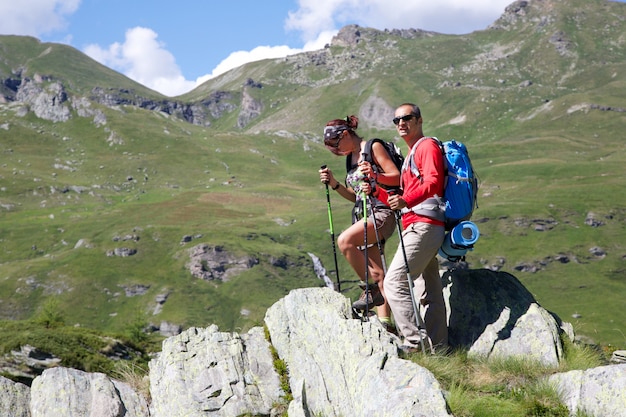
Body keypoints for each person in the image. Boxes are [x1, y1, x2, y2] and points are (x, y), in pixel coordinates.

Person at [372, 103, 448, 353]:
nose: (401, 123)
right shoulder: (412, 154)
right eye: (396, 120)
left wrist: (406, 199)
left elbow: (434, 182)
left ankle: (415, 343)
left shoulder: (426, 146)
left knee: (395, 282)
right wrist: (375, 190)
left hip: (423, 225)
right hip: (422, 224)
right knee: (429, 289)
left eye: (407, 118)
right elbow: (401, 200)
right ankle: (440, 350)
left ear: (419, 120)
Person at [319, 115, 400, 331]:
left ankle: (370, 290)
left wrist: (375, 176)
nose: (336, 152)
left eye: (335, 146)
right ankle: (385, 324)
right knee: (378, 273)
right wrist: (335, 183)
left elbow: (396, 176)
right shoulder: (350, 159)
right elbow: (355, 196)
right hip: (363, 216)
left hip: (382, 213)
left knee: (344, 241)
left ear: (345, 134)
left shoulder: (373, 147)